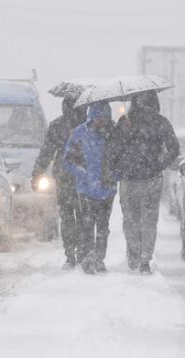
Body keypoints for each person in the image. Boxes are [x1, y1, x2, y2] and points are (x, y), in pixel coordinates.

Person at [108, 91, 180, 274]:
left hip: (129, 179)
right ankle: (145, 260)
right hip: (152, 179)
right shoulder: (160, 122)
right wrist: (159, 165)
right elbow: (174, 148)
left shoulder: (124, 122)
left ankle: (133, 255)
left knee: (130, 220)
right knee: (149, 221)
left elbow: (113, 149)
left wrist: (118, 168)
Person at [33, 96, 87, 269]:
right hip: (84, 176)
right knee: (84, 216)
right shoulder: (87, 125)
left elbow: (47, 152)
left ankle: (71, 254)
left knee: (67, 216)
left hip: (63, 176)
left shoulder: (57, 125)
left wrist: (37, 173)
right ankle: (82, 253)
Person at [63, 103, 117, 275]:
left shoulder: (113, 134)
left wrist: (113, 175)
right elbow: (68, 160)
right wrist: (83, 174)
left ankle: (99, 258)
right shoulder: (79, 133)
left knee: (103, 227)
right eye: (99, 117)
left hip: (107, 189)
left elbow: (122, 157)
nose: (102, 121)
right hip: (86, 189)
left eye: (105, 118)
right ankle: (88, 257)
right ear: (92, 116)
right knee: (86, 225)